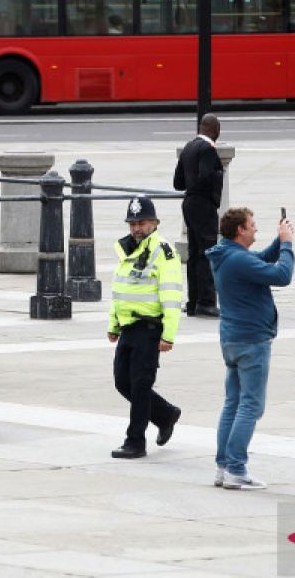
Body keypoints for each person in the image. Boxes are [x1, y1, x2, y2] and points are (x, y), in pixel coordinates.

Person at [206, 207, 294, 489]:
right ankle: (236, 468)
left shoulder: (227, 254)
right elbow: (282, 275)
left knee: (233, 403)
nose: (255, 229)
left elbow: (260, 258)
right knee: (251, 405)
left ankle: (223, 466)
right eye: (252, 225)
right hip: (251, 341)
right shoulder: (237, 260)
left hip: (232, 339)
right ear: (240, 231)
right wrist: (288, 246)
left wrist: (279, 241)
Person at [107, 195, 183, 459]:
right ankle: (165, 414)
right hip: (128, 327)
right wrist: (113, 324)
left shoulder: (163, 251)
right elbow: (120, 288)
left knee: (140, 385)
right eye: (133, 223)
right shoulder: (128, 248)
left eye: (142, 222)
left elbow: (171, 294)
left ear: (154, 223)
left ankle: (135, 441)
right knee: (122, 382)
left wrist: (169, 334)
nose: (137, 228)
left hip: (150, 328)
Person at [173, 113, 224, 318]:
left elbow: (178, 183)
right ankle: (206, 302)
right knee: (208, 252)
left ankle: (193, 301)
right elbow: (206, 176)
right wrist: (217, 176)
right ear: (214, 130)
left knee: (194, 253)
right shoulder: (208, 149)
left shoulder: (188, 147)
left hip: (189, 203)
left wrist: (192, 184)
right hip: (203, 205)